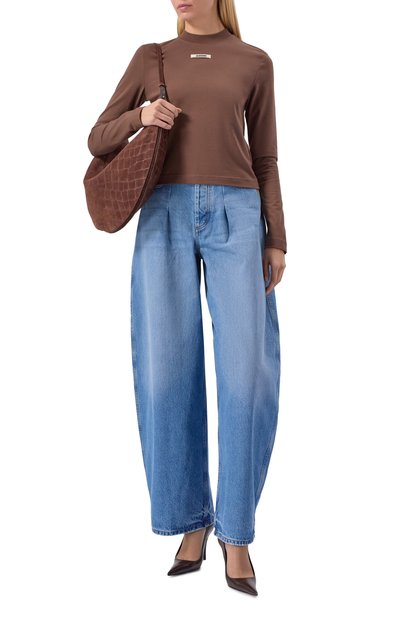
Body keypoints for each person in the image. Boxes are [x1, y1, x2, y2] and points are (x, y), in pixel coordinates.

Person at [87, 0, 287, 597]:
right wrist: (142, 115)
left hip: (238, 215)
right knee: (168, 371)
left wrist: (277, 238)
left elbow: (266, 158)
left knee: (246, 374)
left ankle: (237, 533)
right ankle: (190, 523)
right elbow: (96, 137)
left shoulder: (254, 62)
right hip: (164, 214)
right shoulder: (151, 58)